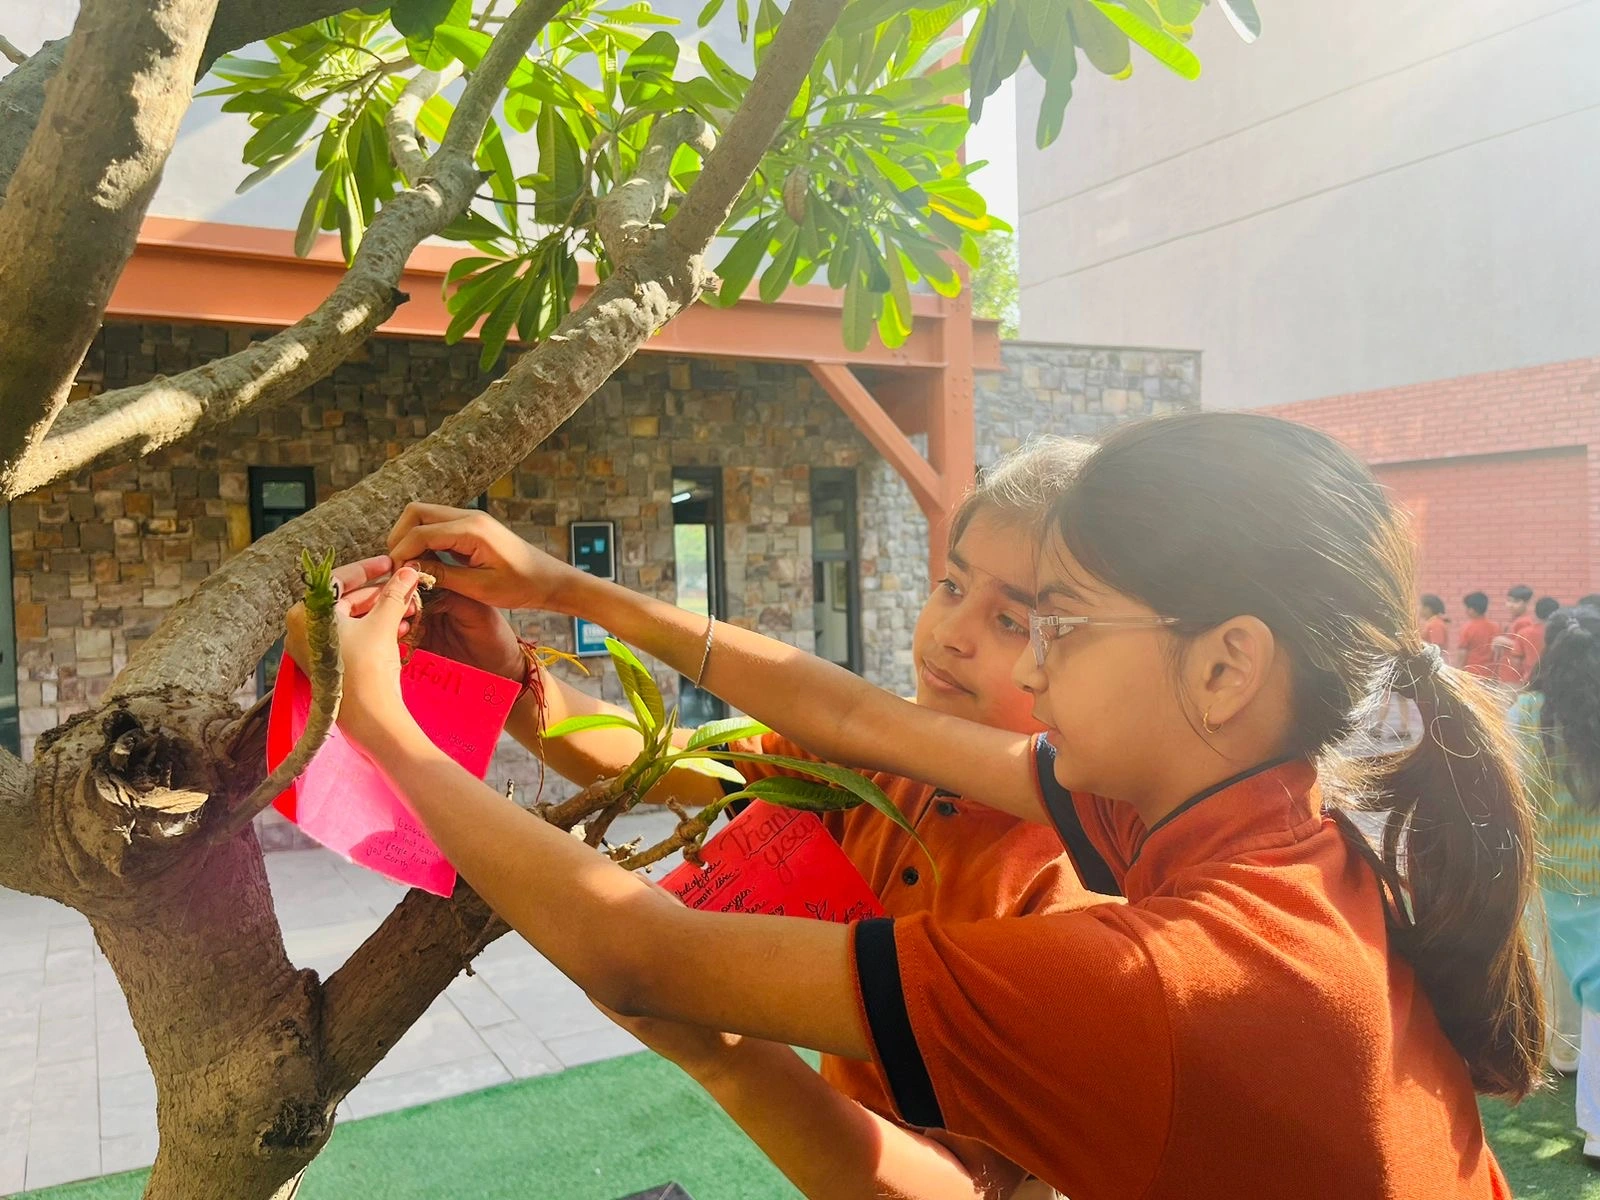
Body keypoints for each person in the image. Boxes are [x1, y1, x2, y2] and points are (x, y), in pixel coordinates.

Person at [298, 412, 1538, 1199]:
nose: (1013, 658)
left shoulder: (1131, 958)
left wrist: (387, 736)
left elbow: (640, 957)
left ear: (1223, 667)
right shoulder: (1211, 820)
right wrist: (565, 602)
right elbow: (842, 720)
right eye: (971, 595)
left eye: (1049, 621)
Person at [402, 438, 1106, 1193]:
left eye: (1011, 622)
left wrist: (724, 1051)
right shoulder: (870, 760)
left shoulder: (1070, 886)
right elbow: (675, 763)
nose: (950, 633)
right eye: (952, 585)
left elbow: (979, 1190)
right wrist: (508, 672)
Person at [1508, 606, 1600, 1159]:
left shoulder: (1528, 713)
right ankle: (1596, 1126)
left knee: (1564, 970)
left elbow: (1519, 795)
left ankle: (1564, 1056)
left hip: (1553, 871)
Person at [1396, 595, 1450, 741]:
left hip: (1430, 670)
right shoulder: (1432, 623)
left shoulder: (1435, 625)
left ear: (1427, 608)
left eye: (1421, 606)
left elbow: (1436, 647)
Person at [1495, 585, 1542, 686]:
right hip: (1507, 674)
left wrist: (1502, 641)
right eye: (1509, 601)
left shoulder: (1524, 622)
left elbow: (1526, 647)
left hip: (1515, 677)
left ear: (1526, 603)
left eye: (1516, 602)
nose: (1511, 605)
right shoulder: (1515, 621)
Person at [1457, 591, 1500, 678]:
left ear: (1472, 610)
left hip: (1472, 673)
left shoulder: (1467, 628)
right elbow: (1498, 652)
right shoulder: (1495, 627)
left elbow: (1462, 652)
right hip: (1490, 673)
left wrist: (1459, 670)